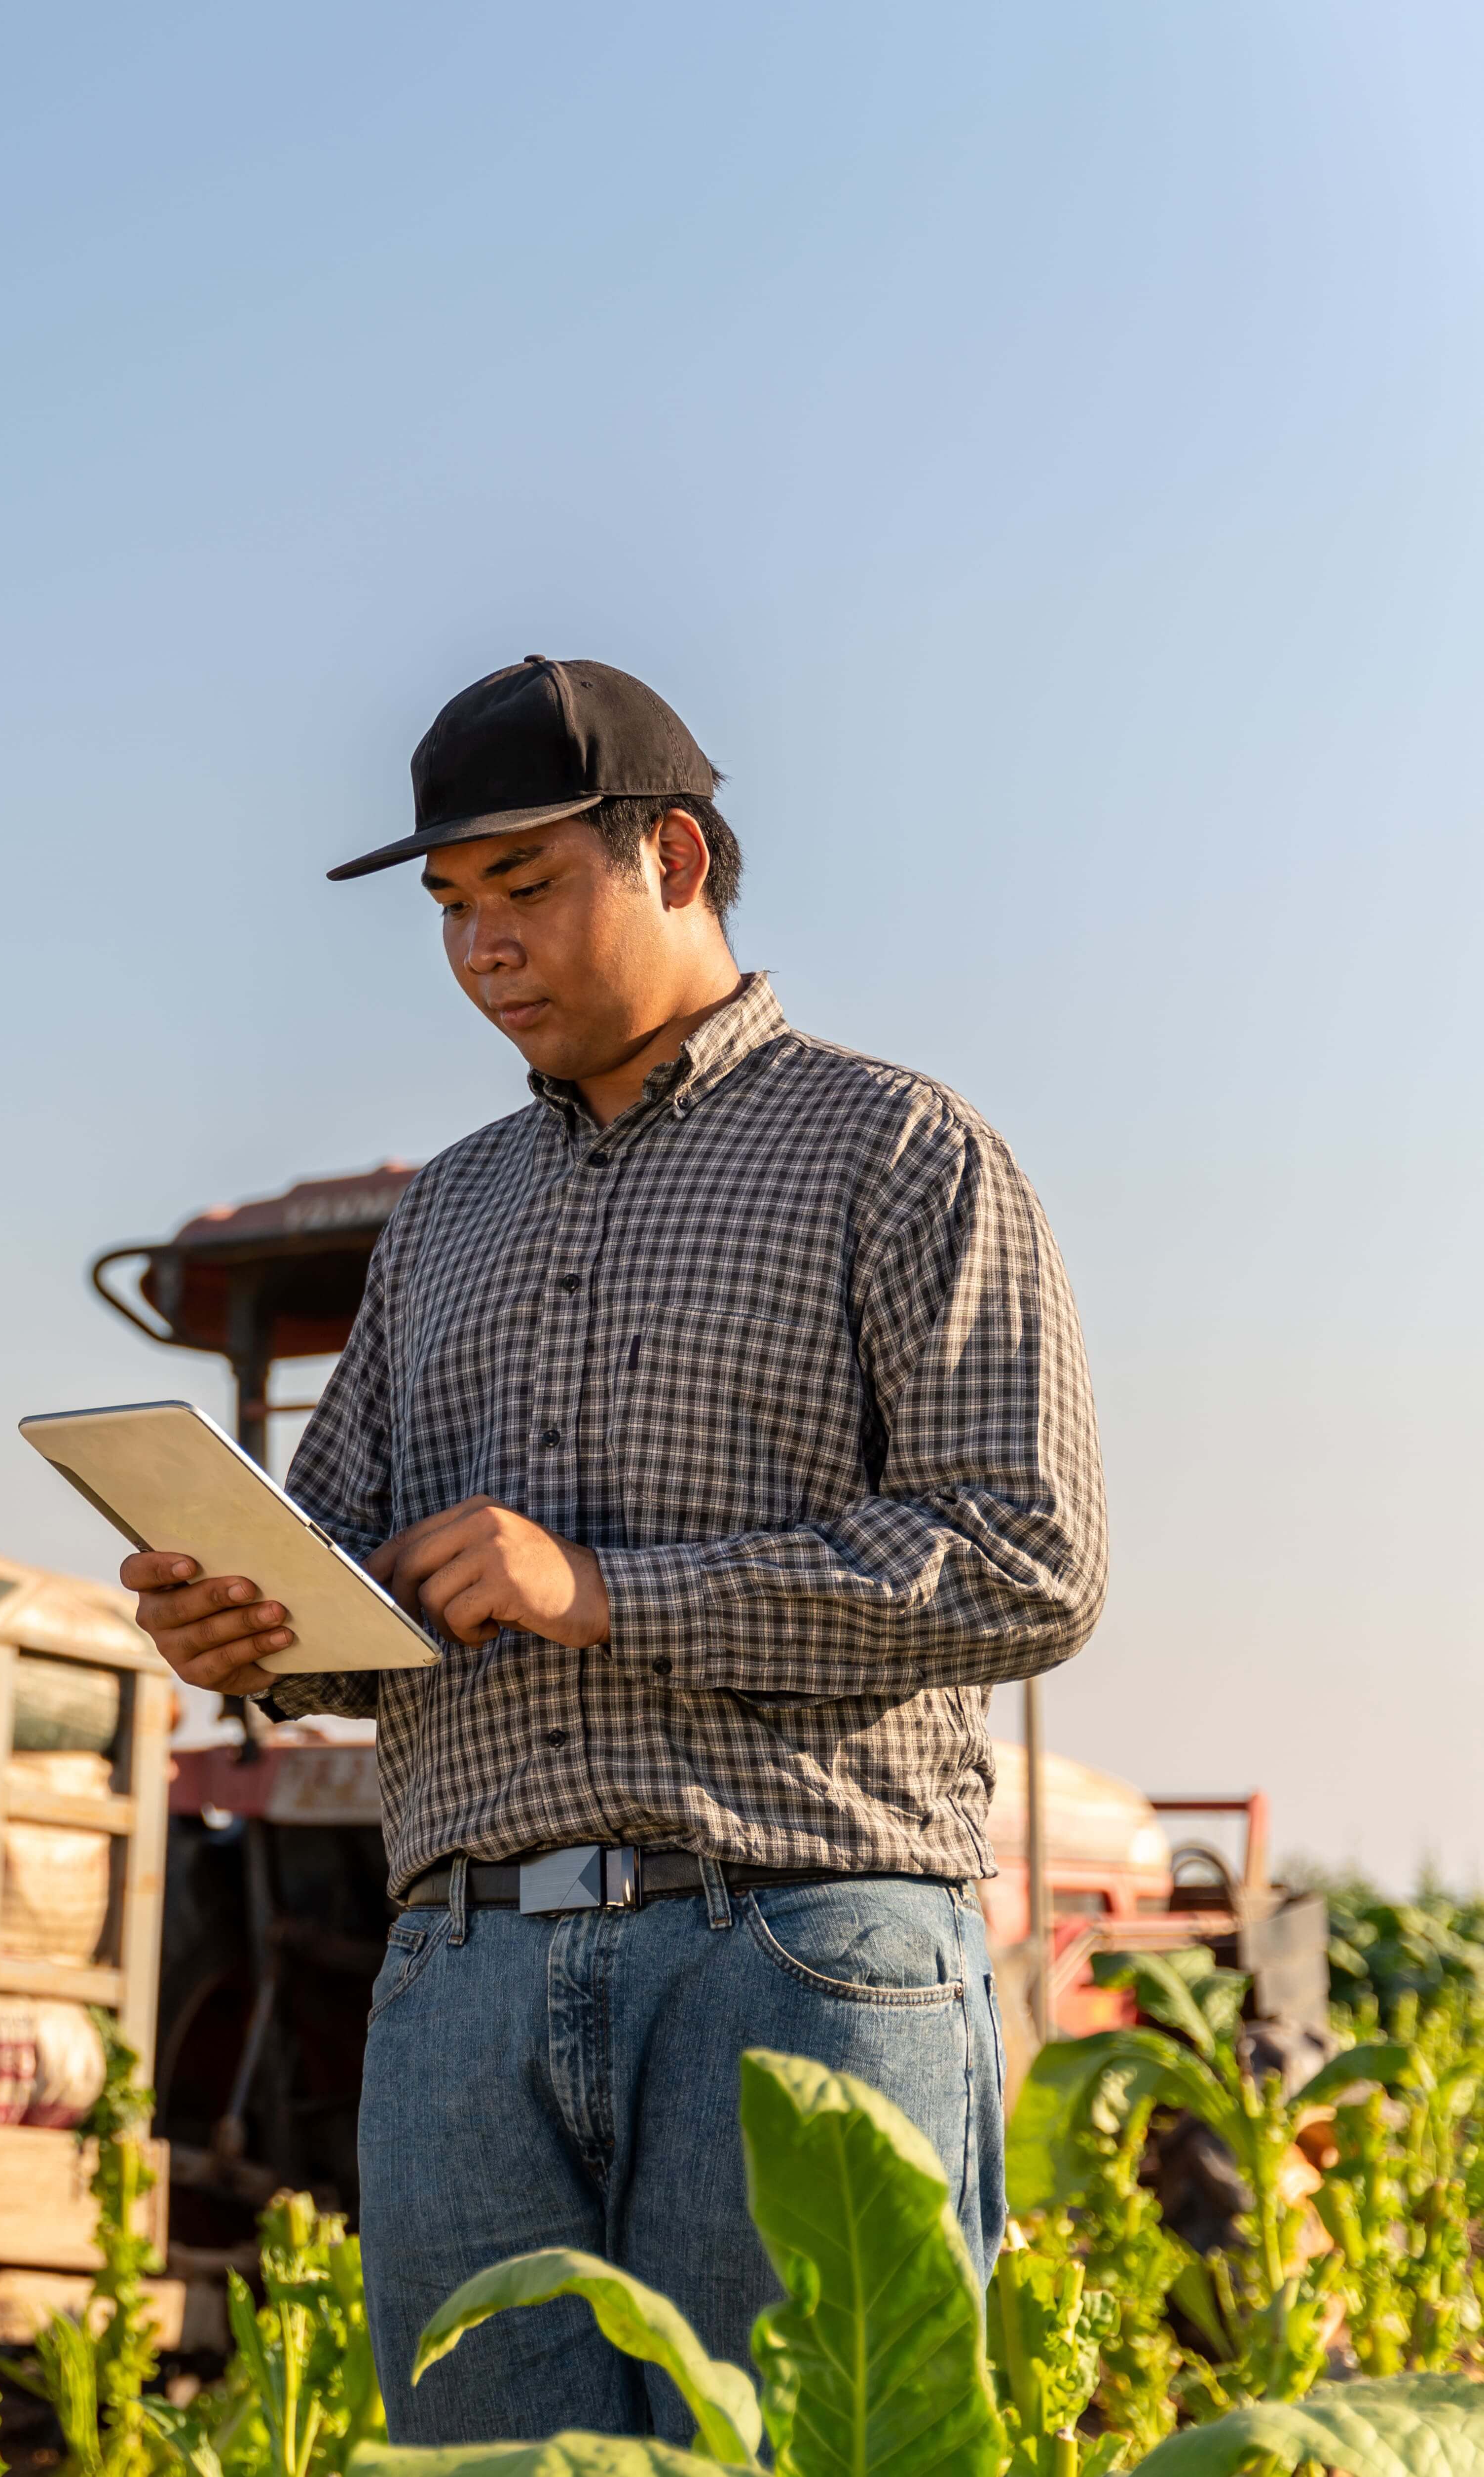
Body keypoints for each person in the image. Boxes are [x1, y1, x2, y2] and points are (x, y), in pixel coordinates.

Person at [126, 656, 1104, 2449]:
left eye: (525, 886)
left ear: (671, 856)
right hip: (463, 1981)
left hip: (796, 1948)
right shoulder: (447, 1213)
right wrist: (256, 1624)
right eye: (449, 906)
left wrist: (605, 1592)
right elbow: (369, 1589)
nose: (482, 946)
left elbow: (1026, 1558)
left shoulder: (897, 1151)